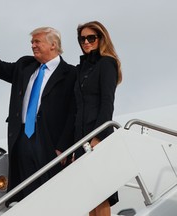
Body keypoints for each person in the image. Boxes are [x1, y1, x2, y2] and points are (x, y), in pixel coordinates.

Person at [0, 14, 76, 205]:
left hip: (50, 141)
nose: (33, 46)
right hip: (22, 137)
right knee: (26, 191)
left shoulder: (71, 73)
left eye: (37, 42)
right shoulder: (25, 66)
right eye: (32, 42)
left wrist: (63, 146)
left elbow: (73, 113)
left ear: (53, 45)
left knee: (51, 192)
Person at [74, 21, 122, 216]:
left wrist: (98, 136)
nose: (86, 42)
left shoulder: (107, 63)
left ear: (101, 39)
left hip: (97, 135)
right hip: (80, 138)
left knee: (100, 193)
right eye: (82, 39)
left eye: (91, 38)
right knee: (88, 196)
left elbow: (107, 102)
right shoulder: (81, 69)